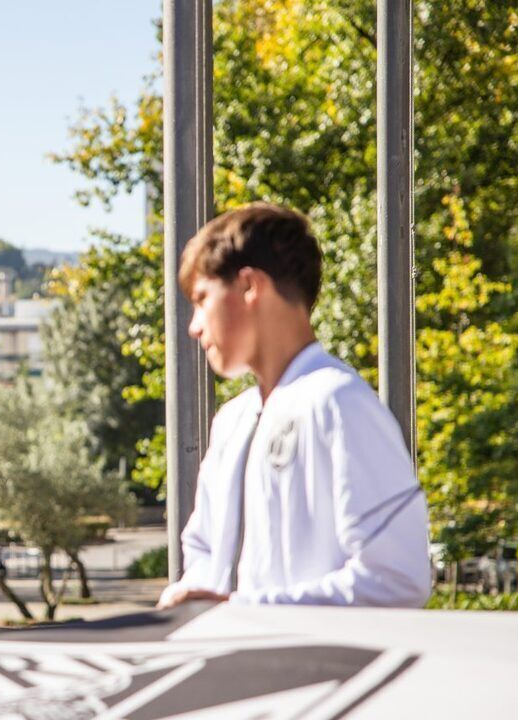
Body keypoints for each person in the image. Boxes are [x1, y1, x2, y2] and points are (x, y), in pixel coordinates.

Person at [158, 203, 432, 609]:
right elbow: (202, 561)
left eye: (201, 299)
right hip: (228, 667)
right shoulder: (231, 421)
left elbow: (398, 581)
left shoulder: (340, 403)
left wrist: (245, 611)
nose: (194, 325)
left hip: (313, 670)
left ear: (250, 286)